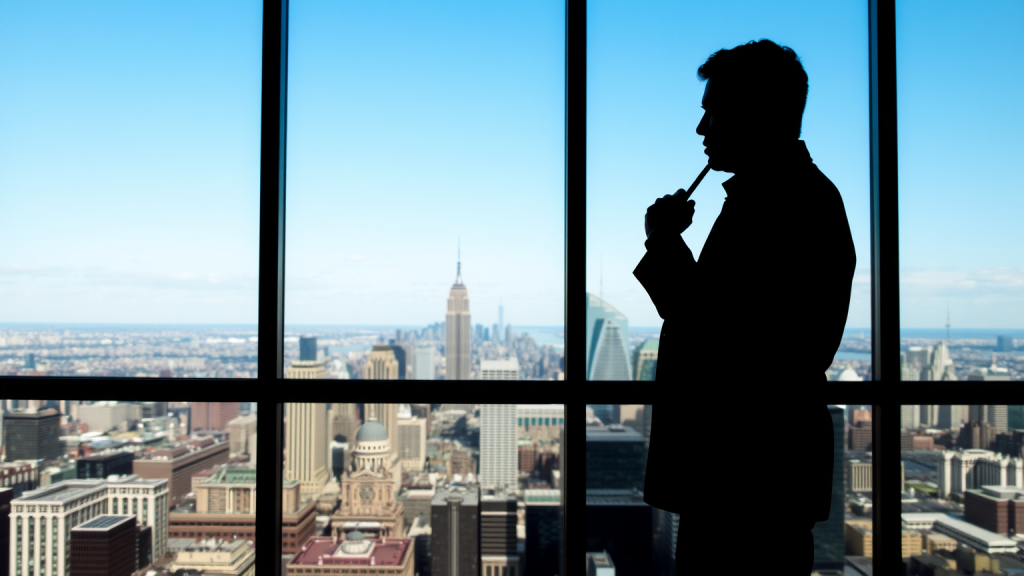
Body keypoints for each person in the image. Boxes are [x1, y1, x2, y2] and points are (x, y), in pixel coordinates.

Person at [636, 40, 851, 574]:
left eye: (713, 111)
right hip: (755, 473)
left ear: (756, 113)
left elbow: (721, 334)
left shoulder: (785, 206)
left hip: (746, 474)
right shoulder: (784, 198)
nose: (701, 129)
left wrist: (664, 245)